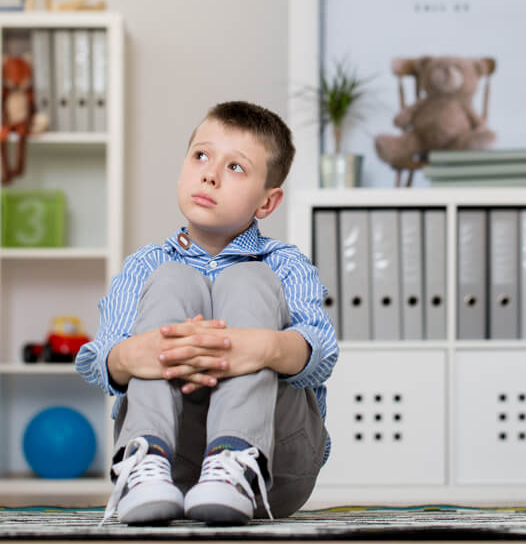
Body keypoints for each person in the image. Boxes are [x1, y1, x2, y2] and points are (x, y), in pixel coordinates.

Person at [76, 101, 338, 526]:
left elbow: (323, 354)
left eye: (236, 167)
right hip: (175, 463)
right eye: (201, 155)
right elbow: (102, 359)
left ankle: (235, 460)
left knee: (248, 280)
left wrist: (265, 347)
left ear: (267, 202)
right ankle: (147, 461)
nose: (210, 174)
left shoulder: (285, 264)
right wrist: (129, 356)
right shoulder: (147, 266)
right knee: (172, 279)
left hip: (275, 469)